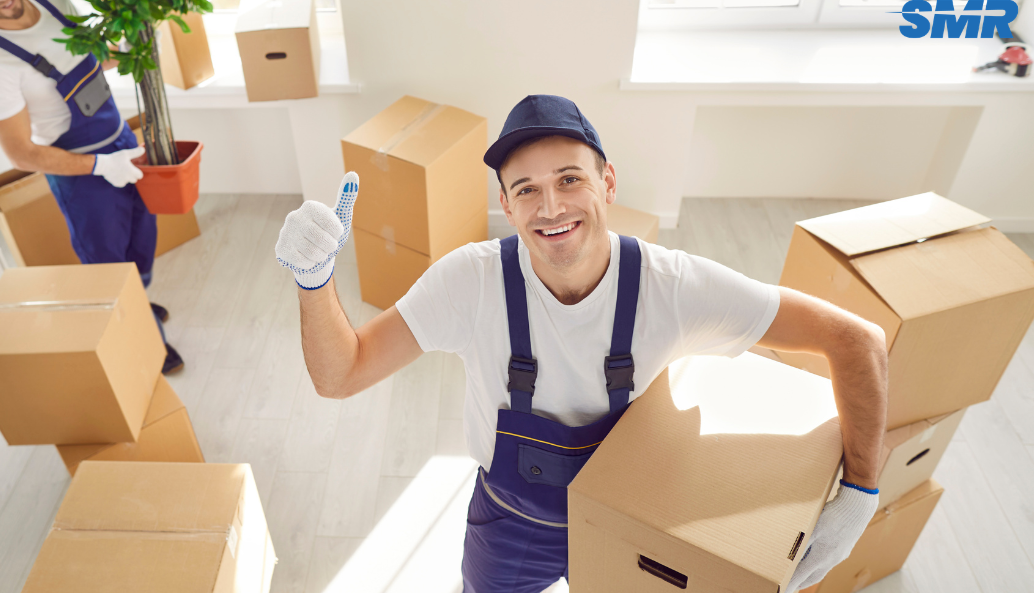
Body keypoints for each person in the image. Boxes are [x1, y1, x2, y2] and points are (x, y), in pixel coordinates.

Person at [275, 94, 886, 592]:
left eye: (570, 179)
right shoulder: (471, 282)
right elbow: (342, 373)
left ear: (607, 182)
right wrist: (314, 281)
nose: (552, 206)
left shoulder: (673, 288)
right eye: (526, 189)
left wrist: (857, 496)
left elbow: (857, 340)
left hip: (634, 521)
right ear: (506, 205)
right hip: (510, 522)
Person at [0, 0, 183, 373]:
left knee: (143, 238)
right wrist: (100, 166)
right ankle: (148, 343)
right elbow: (20, 153)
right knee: (108, 263)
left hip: (122, 142)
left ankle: (137, 299)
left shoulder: (54, 1)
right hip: (81, 174)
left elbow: (92, 59)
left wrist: (135, 44)